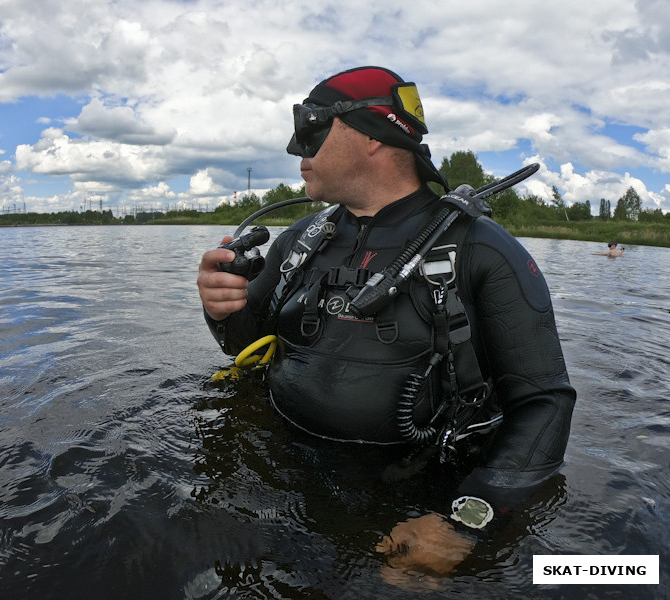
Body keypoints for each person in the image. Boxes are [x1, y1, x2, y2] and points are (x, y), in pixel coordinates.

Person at [197, 66, 576, 579]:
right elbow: (242, 346)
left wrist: (468, 523)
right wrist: (221, 307)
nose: (296, 151)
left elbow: (544, 403)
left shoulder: (482, 251)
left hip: (411, 500)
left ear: (375, 134)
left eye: (311, 130)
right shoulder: (300, 240)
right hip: (273, 477)